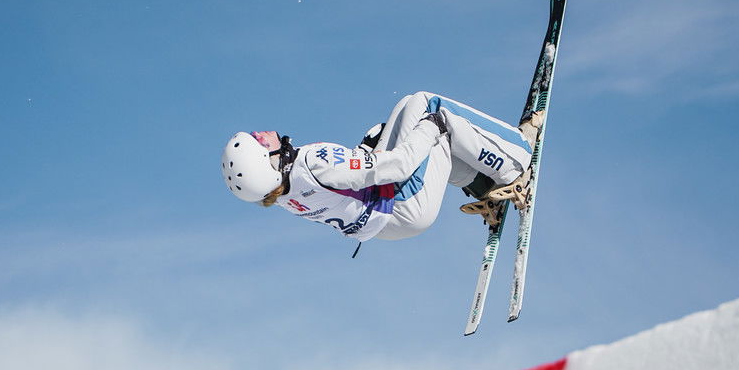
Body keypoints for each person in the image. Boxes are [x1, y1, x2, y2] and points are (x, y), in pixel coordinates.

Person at [220, 91, 541, 242]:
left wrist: (371, 144)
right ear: (268, 162)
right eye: (259, 142)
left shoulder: (284, 196)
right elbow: (398, 167)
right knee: (431, 111)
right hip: (402, 205)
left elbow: (345, 190)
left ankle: (485, 186)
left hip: (388, 223)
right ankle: (515, 161)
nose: (261, 134)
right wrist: (430, 127)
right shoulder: (312, 162)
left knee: (409, 108)